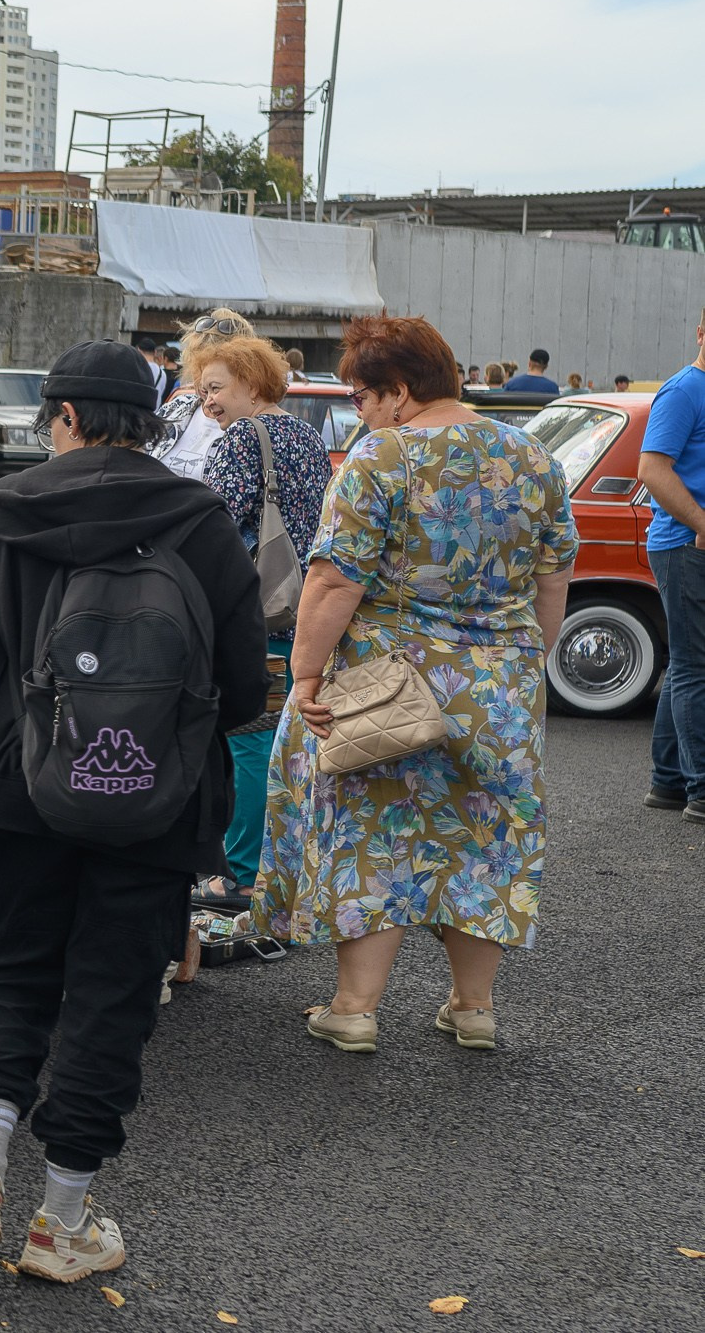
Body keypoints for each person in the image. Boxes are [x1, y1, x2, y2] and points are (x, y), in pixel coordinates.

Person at [0, 340, 265, 1284]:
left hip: (20, 791)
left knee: (9, 969)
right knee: (113, 995)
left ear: (63, 416)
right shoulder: (197, 519)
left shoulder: (13, 509)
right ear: (149, 419)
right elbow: (242, 683)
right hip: (157, 804)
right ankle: (60, 1223)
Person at [256, 315, 575, 1054]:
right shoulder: (533, 455)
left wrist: (305, 671)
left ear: (399, 392)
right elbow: (554, 574)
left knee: (378, 831)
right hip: (502, 684)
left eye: (363, 394)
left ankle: (356, 1008)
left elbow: (334, 578)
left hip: (388, 685)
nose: (360, 408)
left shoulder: (382, 458)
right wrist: (523, 661)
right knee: (486, 835)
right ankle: (472, 1006)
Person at [192, 331, 332, 902]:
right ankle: (288, 870)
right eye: (201, 391)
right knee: (292, 747)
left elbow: (210, 529)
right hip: (310, 611)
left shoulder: (238, 442)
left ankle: (243, 873)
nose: (207, 402)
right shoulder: (305, 435)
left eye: (216, 388)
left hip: (259, 613)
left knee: (248, 742)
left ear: (253, 383)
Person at [638, 312, 705, 821]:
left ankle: (668, 782)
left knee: (686, 661)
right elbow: (651, 469)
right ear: (700, 333)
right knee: (695, 666)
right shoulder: (684, 390)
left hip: (692, 541)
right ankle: (701, 789)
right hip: (686, 543)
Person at [151, 309, 249, 485]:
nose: (203, 380)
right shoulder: (176, 407)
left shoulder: (252, 429)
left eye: (215, 370)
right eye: (199, 366)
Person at [131, 333, 169, 406]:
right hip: (154, 414)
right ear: (155, 352)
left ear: (139, 350)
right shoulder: (162, 373)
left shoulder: (136, 369)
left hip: (139, 412)